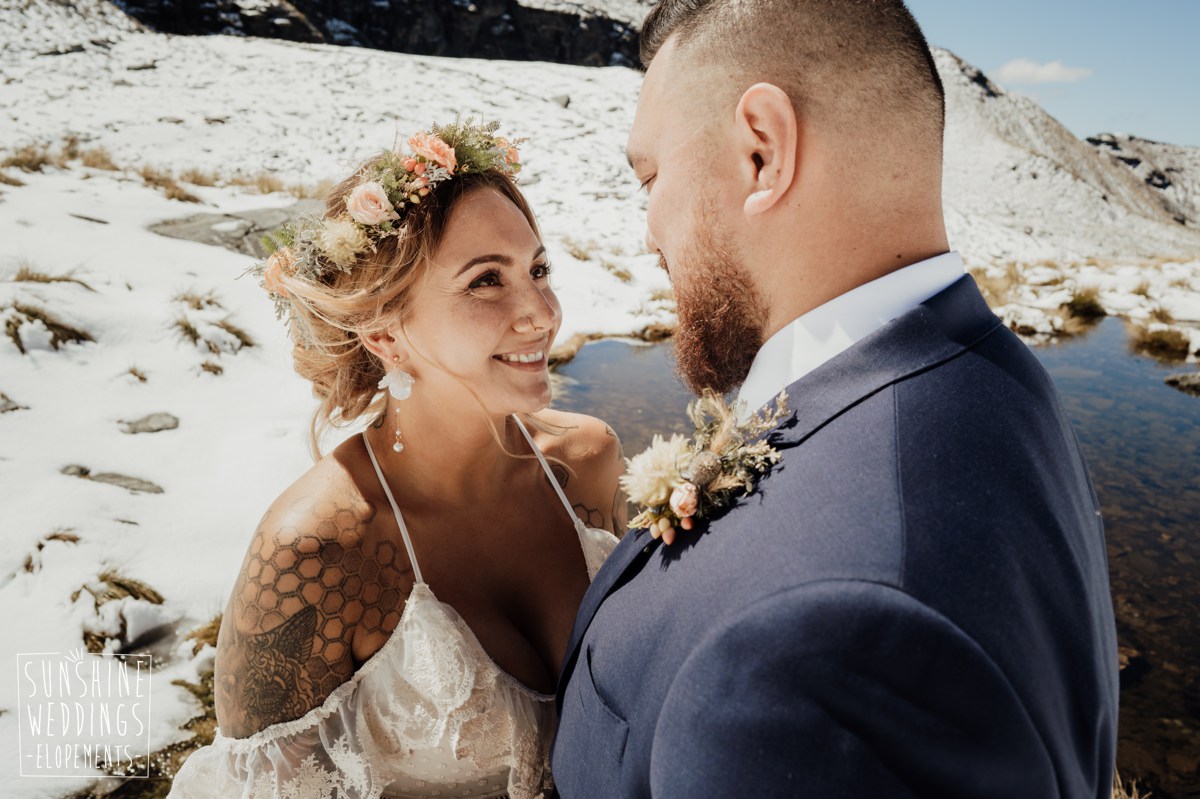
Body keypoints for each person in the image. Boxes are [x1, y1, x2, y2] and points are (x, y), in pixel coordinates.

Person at [551, 2, 1119, 797]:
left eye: (650, 178)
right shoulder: (993, 375)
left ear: (762, 152)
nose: (648, 231)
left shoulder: (825, 643)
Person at [168, 121, 624, 799]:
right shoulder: (314, 549)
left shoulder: (587, 462)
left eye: (537, 269)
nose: (541, 312)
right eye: (484, 282)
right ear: (385, 331)